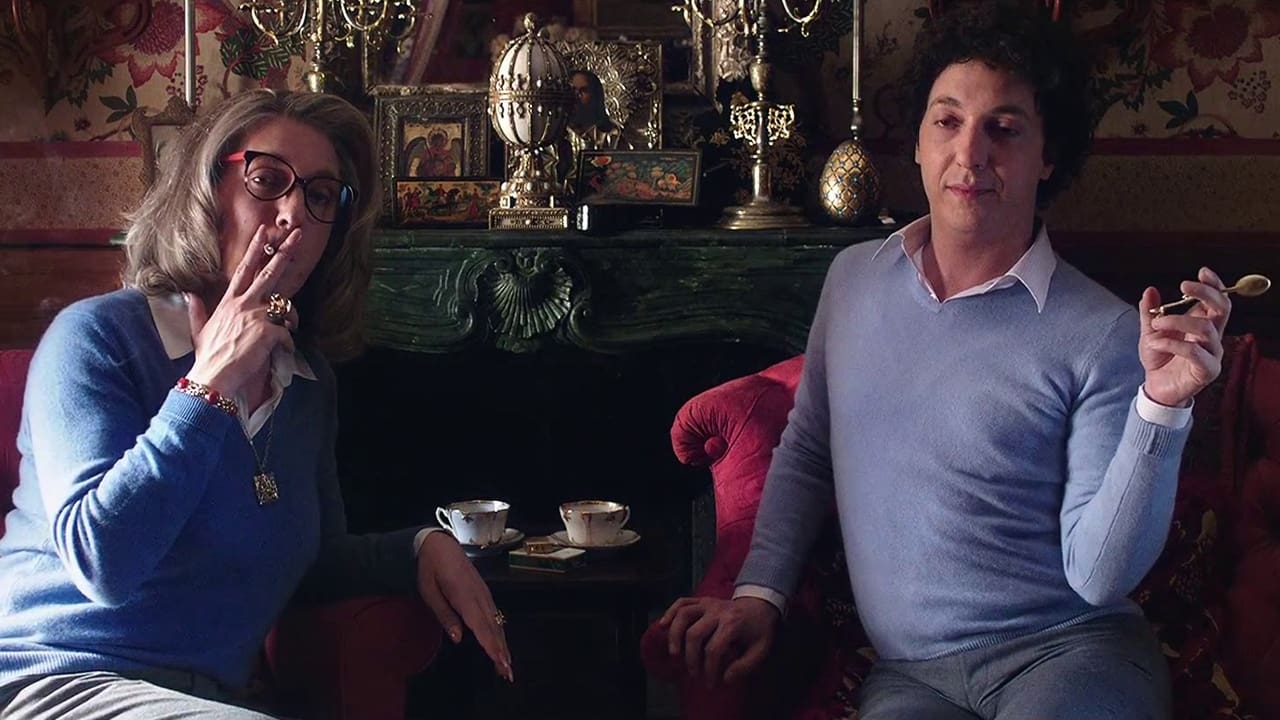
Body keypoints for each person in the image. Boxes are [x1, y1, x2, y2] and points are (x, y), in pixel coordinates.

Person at [657, 2, 1231, 718]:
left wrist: (1162, 408)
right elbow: (807, 450)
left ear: (1048, 157)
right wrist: (759, 594)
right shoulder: (853, 282)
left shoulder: (1103, 333)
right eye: (948, 120)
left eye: (1004, 129)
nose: (970, 153)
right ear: (920, 144)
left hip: (1070, 654)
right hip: (910, 677)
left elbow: (1098, 577)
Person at [0, 89, 512, 718]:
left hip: (204, 701)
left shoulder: (307, 383)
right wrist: (210, 383)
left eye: (320, 196)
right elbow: (102, 562)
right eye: (267, 181)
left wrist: (419, 547)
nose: (294, 213)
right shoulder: (95, 337)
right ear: (205, 193)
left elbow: (311, 564)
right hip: (54, 680)